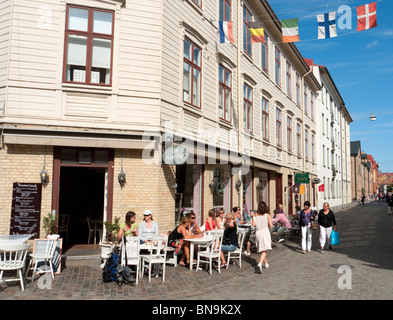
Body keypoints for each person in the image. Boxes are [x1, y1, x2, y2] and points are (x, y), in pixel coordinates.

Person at [252, 201, 273, 273]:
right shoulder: (267, 215)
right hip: (264, 232)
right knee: (265, 249)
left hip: (258, 232)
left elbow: (254, 225)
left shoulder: (255, 215)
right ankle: (260, 264)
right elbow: (271, 225)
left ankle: (266, 263)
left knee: (262, 248)